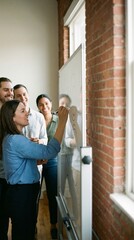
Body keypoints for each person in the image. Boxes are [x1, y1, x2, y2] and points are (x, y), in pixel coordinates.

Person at [0, 99, 68, 240]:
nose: (28, 113)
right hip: (22, 194)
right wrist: (62, 121)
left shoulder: (12, 138)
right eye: (22, 111)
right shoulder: (16, 140)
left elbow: (18, 163)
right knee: (24, 234)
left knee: (24, 232)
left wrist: (35, 160)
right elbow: (51, 150)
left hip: (20, 193)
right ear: (12, 117)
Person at [13, 84, 48, 237]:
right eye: (18, 96)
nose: (23, 98)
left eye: (25, 94)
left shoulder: (39, 117)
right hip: (19, 170)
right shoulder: (11, 117)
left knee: (34, 202)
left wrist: (39, 142)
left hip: (36, 168)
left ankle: (32, 229)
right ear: (14, 99)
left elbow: (45, 139)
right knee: (19, 206)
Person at [36, 94, 59, 239]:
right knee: (34, 195)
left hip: (52, 162)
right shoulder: (35, 119)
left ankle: (53, 225)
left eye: (46, 103)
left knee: (52, 194)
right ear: (38, 107)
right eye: (41, 105)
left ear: (51, 103)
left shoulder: (59, 120)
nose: (44, 107)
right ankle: (32, 225)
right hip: (37, 161)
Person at [0, 77, 14, 240]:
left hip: (10, 174)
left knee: (7, 212)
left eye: (11, 90)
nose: (10, 93)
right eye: (6, 89)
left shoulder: (11, 113)